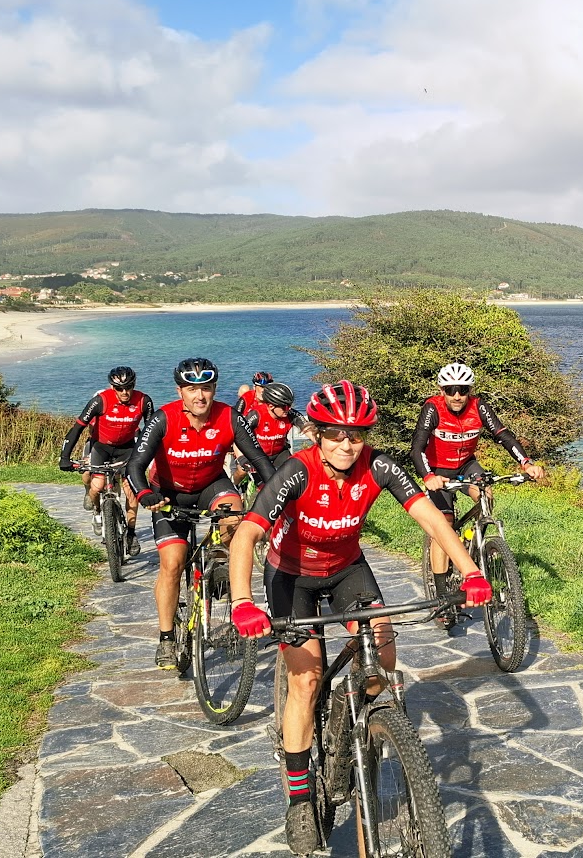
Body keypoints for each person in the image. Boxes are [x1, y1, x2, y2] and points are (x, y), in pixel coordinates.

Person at [225, 380, 490, 855]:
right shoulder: (295, 470)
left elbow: (432, 519)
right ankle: (301, 800)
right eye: (335, 433)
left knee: (382, 648)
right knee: (305, 682)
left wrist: (470, 572)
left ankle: (372, 721)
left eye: (357, 434)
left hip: (347, 568)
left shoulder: (381, 466)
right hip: (291, 578)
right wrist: (242, 601)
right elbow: (245, 535)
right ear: (316, 433)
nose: (346, 444)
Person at [125, 358, 278, 670]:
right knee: (172, 563)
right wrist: (145, 494)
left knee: (236, 519)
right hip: (168, 494)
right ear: (180, 391)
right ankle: (167, 637)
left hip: (211, 486)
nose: (200, 396)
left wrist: (273, 495)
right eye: (192, 389)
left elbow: (260, 459)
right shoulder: (163, 418)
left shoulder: (229, 416)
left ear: (214, 389)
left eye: (206, 388)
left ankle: (222, 565)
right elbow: (135, 465)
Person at [410, 362, 544, 607]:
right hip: (439, 471)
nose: (457, 395)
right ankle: (443, 598)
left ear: (469, 390)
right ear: (442, 390)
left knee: (486, 495)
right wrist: (428, 476)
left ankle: (475, 543)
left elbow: (503, 435)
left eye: (463, 389)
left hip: (466, 465)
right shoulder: (433, 408)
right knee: (444, 526)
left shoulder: (479, 406)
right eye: (451, 390)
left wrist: (526, 463)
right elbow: (417, 447)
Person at [58, 366, 151, 551]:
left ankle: (131, 534)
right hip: (101, 447)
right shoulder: (100, 401)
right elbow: (78, 428)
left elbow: (150, 431)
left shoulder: (143, 401)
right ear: (111, 387)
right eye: (119, 388)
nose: (125, 392)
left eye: (129, 386)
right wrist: (64, 457)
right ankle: (98, 511)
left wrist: (150, 457)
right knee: (97, 486)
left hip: (127, 449)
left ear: (134, 384)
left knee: (131, 491)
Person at [234, 381, 307, 488]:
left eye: (290, 405)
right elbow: (237, 437)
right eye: (285, 407)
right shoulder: (256, 415)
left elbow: (309, 429)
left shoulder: (290, 414)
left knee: (295, 473)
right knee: (242, 472)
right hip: (257, 454)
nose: (289, 409)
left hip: (279, 453)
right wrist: (241, 458)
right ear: (271, 406)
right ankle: (235, 486)